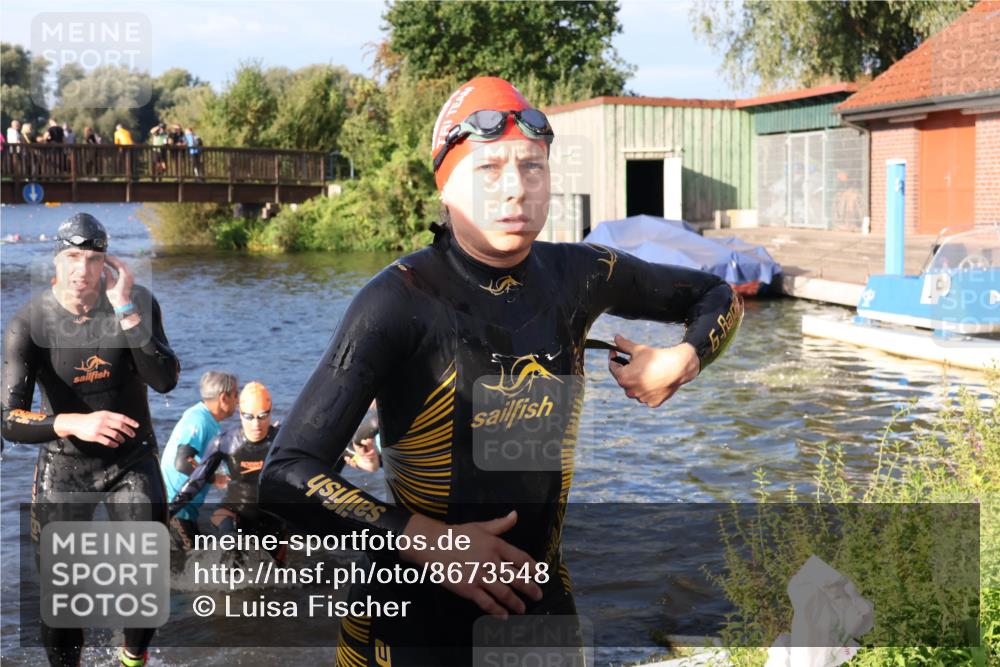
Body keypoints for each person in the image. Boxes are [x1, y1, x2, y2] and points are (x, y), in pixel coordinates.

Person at [260, 76, 744, 665]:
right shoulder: (397, 301)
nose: (515, 189)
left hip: (536, 603)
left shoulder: (580, 274)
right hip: (413, 619)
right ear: (446, 188)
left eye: (532, 166)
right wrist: (434, 544)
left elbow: (717, 293)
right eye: (488, 169)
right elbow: (285, 476)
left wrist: (683, 358)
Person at [1, 212, 180, 667]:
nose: (83, 269)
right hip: (66, 465)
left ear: (107, 263)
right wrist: (70, 423)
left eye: (93, 258)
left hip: (131, 461)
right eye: (73, 257)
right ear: (57, 261)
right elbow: (8, 419)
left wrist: (125, 310)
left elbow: (164, 381)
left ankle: (131, 659)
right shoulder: (29, 324)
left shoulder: (136, 303)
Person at [168, 382, 286, 564]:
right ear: (240, 414)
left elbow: (318, 455)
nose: (256, 424)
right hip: (234, 511)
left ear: (270, 413)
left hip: (272, 516)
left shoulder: (283, 440)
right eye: (249, 417)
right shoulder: (224, 442)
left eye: (263, 416)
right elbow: (197, 481)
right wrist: (167, 511)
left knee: (278, 579)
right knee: (230, 550)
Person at [160, 371, 238, 551]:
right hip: (176, 509)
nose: (238, 401)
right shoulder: (199, 420)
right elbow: (182, 462)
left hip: (184, 510)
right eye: (235, 395)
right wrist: (213, 479)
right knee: (193, 568)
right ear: (223, 398)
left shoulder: (204, 417)